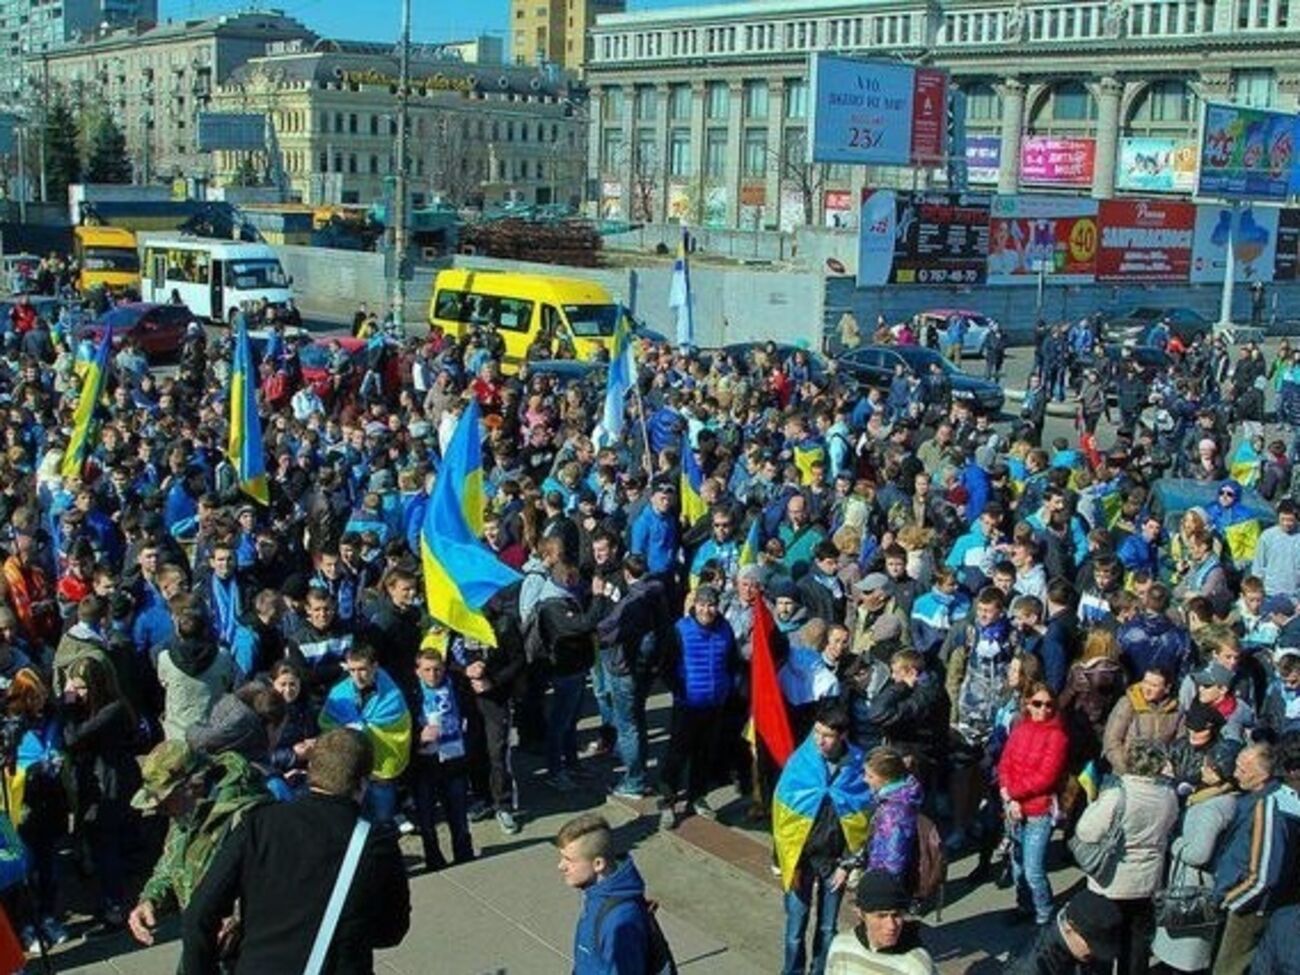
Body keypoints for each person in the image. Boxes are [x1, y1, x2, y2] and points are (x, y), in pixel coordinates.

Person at [181, 728, 411, 974]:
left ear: (310, 769)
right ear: (363, 782)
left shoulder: (259, 824)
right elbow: (391, 931)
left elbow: (199, 915)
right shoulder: (375, 843)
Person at [126, 740, 270, 949]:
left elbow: (271, 880)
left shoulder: (250, 815)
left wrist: (238, 918)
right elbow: (171, 861)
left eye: (164, 802)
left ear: (194, 785)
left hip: (246, 948)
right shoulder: (185, 811)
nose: (158, 810)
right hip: (204, 941)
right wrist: (150, 899)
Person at [773, 701, 871, 975]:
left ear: (842, 736)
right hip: (801, 860)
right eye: (816, 732)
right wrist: (780, 859)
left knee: (827, 928)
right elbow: (782, 814)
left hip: (834, 862)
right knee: (795, 927)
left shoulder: (857, 765)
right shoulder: (800, 761)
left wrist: (848, 863)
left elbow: (864, 819)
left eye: (827, 735)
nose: (819, 740)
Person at [1073, 739, 1179, 975]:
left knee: (1103, 943)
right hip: (1146, 882)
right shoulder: (1168, 796)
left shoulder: (1117, 795)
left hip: (1112, 882)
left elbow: (1086, 832)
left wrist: (1092, 804)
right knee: (1137, 944)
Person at [1151, 739, 1242, 973]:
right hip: (1203, 883)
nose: (1203, 768)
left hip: (1192, 887)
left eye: (1209, 766)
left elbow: (1199, 853)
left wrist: (1175, 843)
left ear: (1221, 772)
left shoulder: (1213, 809)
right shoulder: (1229, 799)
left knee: (1182, 953)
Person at [1212, 739, 1300, 975]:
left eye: (1242, 769)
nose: (1234, 774)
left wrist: (1230, 901)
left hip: (1251, 909)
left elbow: (1263, 876)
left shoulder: (1271, 806)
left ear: (1263, 776)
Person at [997, 681, 1070, 926]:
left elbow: (1045, 778)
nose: (1043, 710)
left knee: (1033, 870)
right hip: (1014, 809)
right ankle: (1024, 906)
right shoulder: (1019, 729)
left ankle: (1045, 915)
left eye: (1049, 705)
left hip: (1039, 811)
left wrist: (1013, 794)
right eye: (1037, 704)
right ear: (1028, 704)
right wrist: (1009, 798)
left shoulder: (1057, 737)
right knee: (1017, 866)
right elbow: (1004, 764)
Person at [557, 812, 662, 975]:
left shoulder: (619, 922)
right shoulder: (596, 894)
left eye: (569, 860)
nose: (561, 866)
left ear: (598, 864)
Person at [318, 643, 412, 826]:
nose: (357, 675)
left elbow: (399, 730)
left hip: (380, 771)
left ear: (375, 666)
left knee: (383, 821)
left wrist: (366, 729)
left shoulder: (392, 695)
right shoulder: (338, 693)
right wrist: (346, 729)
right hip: (350, 769)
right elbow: (326, 722)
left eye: (362, 669)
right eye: (352, 670)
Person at [824, 869, 938, 975]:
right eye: (881, 916)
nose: (891, 926)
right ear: (861, 914)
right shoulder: (842, 948)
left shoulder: (917, 966)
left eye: (896, 915)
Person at [1007, 888, 1123, 974]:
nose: (1096, 953)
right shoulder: (1028, 968)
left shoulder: (1093, 944)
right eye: (1093, 945)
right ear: (1069, 929)